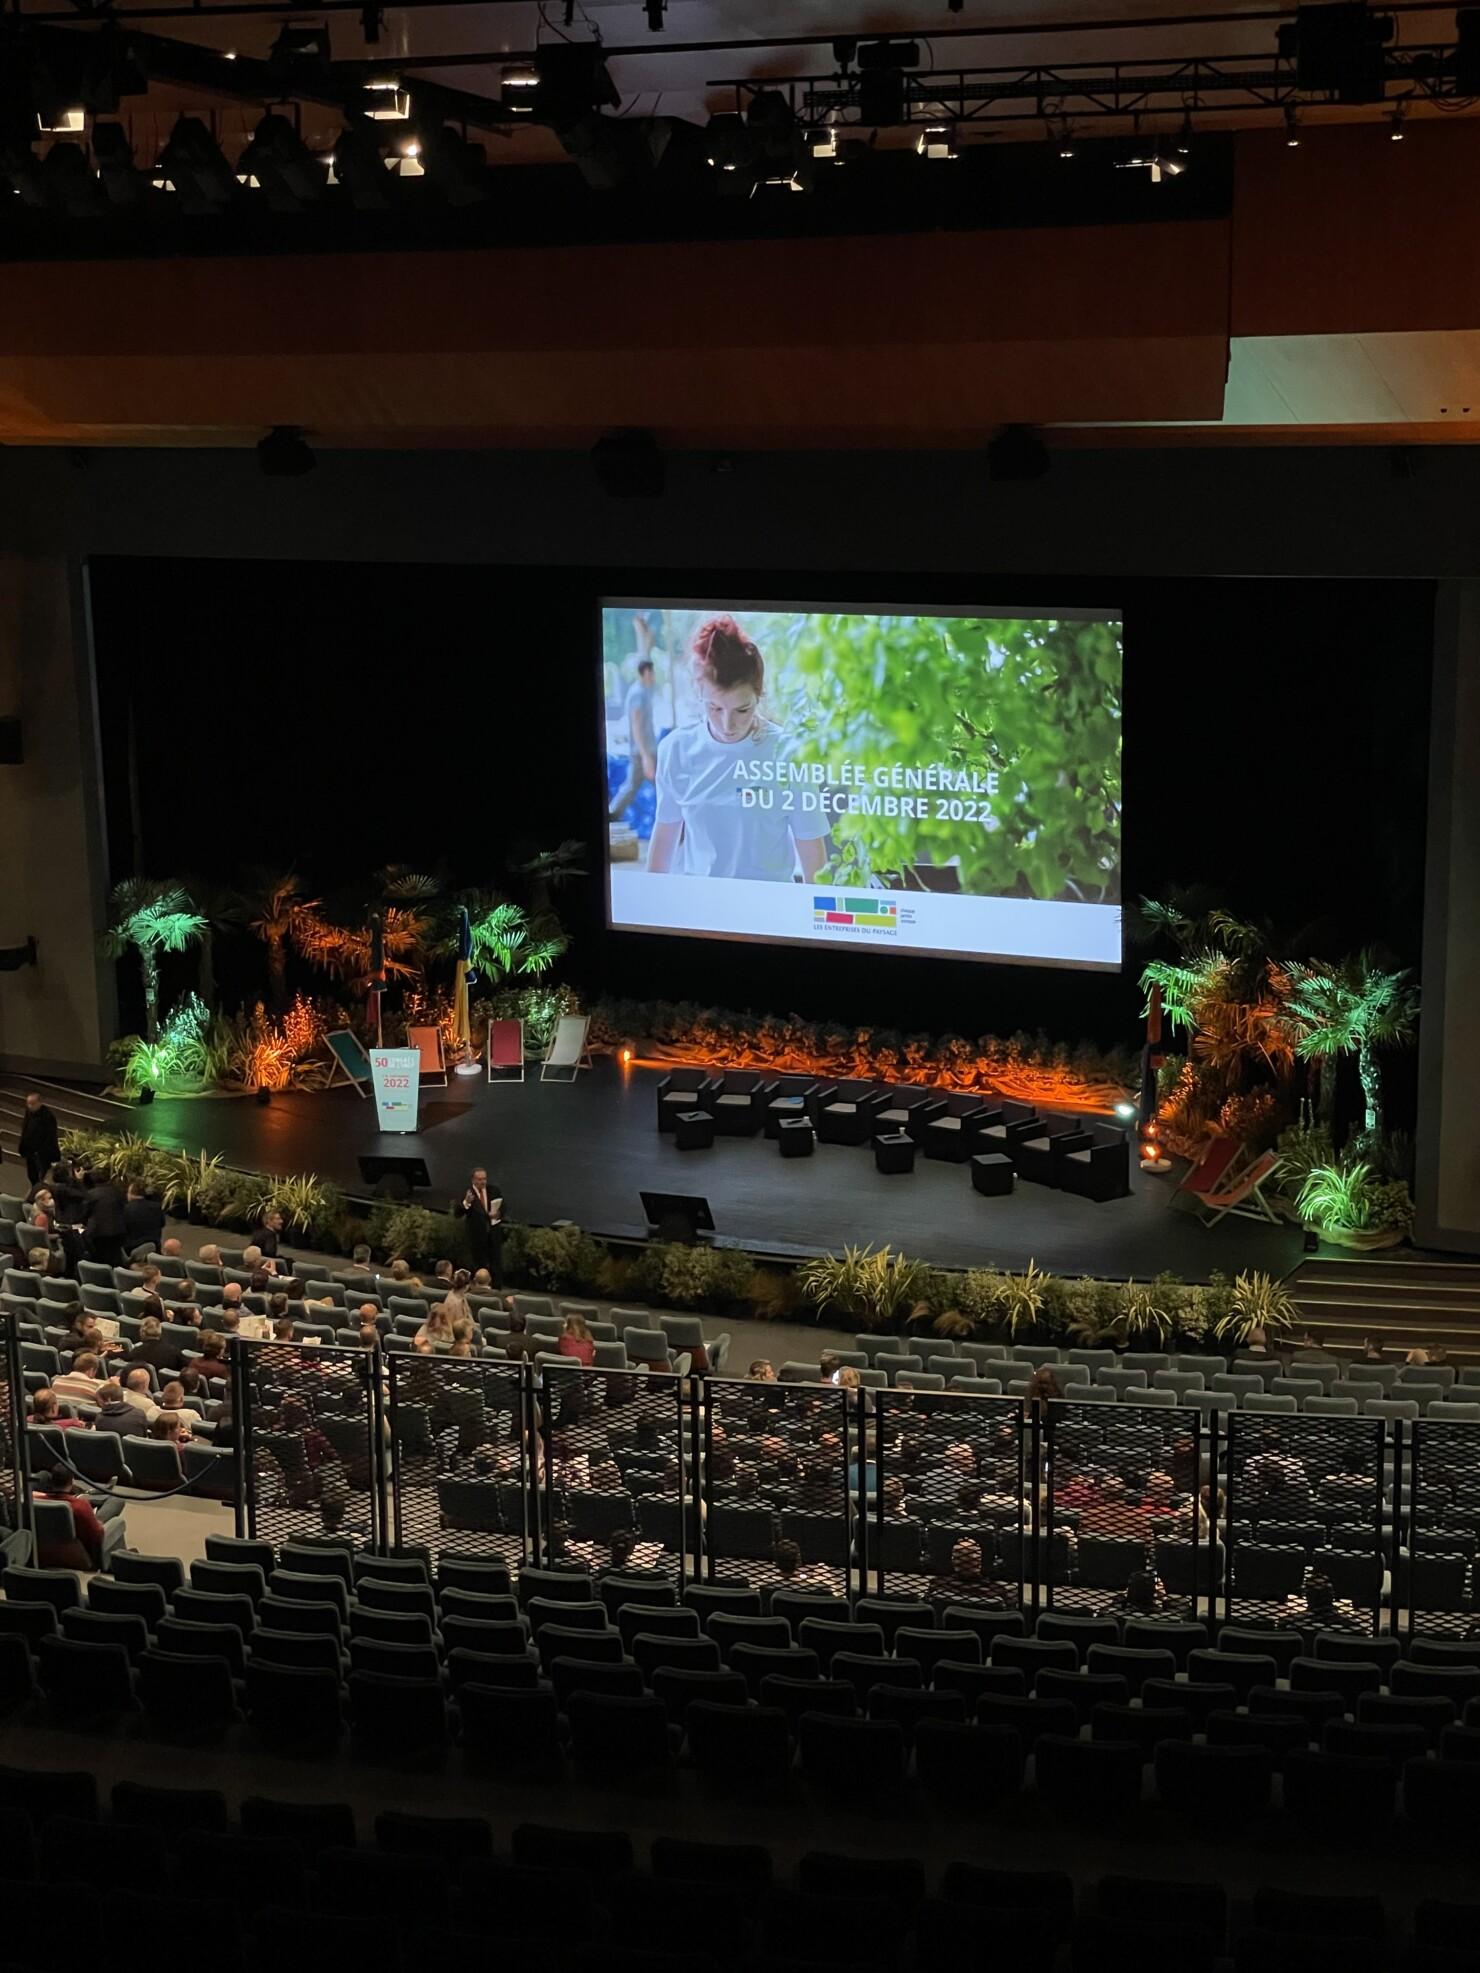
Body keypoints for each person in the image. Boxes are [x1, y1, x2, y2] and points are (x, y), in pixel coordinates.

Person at [645, 614, 829, 883]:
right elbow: (663, 842)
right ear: (699, 694)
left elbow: (812, 850)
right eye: (714, 708)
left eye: (742, 709)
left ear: (759, 694)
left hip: (770, 909)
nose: (727, 724)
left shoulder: (790, 753)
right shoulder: (676, 750)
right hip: (700, 906)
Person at [609, 626, 659, 821]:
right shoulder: (637, 693)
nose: (654, 676)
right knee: (634, 787)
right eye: (652, 672)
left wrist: (644, 634)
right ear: (646, 672)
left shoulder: (644, 689)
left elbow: (644, 653)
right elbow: (636, 727)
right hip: (642, 752)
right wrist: (646, 757)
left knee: (637, 786)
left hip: (646, 750)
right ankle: (611, 815)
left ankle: (611, 814)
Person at [36, 1466, 112, 1570]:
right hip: (80, 1556)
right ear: (72, 1481)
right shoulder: (81, 1506)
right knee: (116, 1506)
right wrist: (97, 1522)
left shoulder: (33, 1501)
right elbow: (98, 1536)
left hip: (45, 1554)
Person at [457, 1169, 505, 1286]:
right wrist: (466, 1203)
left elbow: (504, 1207)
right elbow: (457, 1213)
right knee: (479, 1265)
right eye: (479, 1179)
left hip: (493, 1235)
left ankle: (496, 1289)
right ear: (473, 1180)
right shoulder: (467, 1193)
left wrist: (498, 1214)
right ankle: (478, 1289)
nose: (483, 1182)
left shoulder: (493, 1190)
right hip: (477, 1238)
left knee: (495, 1264)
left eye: (484, 1179)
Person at [82, 1172, 128, 1265]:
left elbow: (84, 1214)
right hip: (118, 1230)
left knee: (100, 1259)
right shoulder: (118, 1192)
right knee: (115, 1257)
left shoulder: (90, 1194)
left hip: (98, 1232)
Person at [19, 1091, 60, 1186]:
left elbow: (50, 1136)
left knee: (42, 1175)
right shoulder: (29, 1113)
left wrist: (41, 1151)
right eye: (28, 1103)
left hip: (42, 1153)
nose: (29, 1106)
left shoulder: (47, 1116)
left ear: (39, 1103)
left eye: (32, 1104)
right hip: (30, 1151)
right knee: (32, 1174)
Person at [123, 1181, 166, 1258]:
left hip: (132, 1250)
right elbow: (162, 1223)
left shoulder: (125, 1209)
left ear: (131, 1194)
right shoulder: (156, 1207)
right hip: (154, 1248)